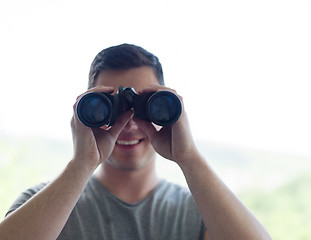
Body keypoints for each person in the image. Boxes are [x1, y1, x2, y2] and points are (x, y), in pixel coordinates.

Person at [0, 44, 272, 240]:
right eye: (112, 107)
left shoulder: (201, 209)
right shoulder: (43, 204)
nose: (128, 123)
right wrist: (82, 164)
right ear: (86, 113)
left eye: (145, 105)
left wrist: (189, 157)